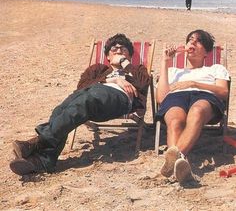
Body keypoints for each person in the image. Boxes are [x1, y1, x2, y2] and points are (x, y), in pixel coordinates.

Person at [10, 33, 151, 176]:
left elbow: (143, 84)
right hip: (92, 96)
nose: (119, 50)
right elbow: (82, 87)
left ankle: (38, 142)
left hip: (119, 99)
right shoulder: (98, 69)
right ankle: (45, 160)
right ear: (108, 56)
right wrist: (111, 80)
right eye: (114, 49)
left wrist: (124, 63)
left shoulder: (136, 69)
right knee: (59, 111)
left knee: (87, 99)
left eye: (124, 49)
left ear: (130, 55)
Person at [156, 29, 230, 184]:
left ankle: (176, 158)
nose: (192, 43)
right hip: (176, 97)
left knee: (196, 110)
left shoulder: (215, 68)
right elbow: (161, 98)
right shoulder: (173, 71)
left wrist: (194, 83)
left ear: (206, 52)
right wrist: (165, 62)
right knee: (175, 121)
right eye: (190, 40)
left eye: (198, 41)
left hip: (204, 96)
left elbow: (223, 91)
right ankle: (180, 164)